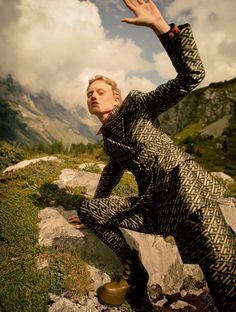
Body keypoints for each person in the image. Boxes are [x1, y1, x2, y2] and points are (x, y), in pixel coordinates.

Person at [69, 0, 236, 310]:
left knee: (226, 280)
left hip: (190, 197)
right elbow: (112, 172)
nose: (92, 95)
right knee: (89, 209)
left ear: (116, 98)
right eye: (89, 93)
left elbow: (191, 75)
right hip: (155, 208)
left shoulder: (137, 106)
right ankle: (134, 270)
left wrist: (162, 29)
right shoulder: (110, 141)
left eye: (100, 91)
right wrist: (95, 208)